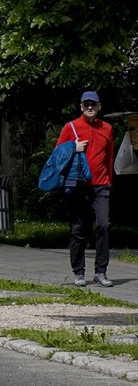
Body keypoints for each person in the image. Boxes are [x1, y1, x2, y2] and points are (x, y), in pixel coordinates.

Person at [56, 91, 115, 287]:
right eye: (86, 104)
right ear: (81, 107)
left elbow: (109, 157)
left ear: (99, 107)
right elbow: (57, 155)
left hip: (101, 185)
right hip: (79, 186)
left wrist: (109, 182)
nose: (90, 107)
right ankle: (79, 272)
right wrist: (74, 148)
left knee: (104, 225)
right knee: (79, 229)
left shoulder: (107, 128)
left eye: (93, 104)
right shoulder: (71, 127)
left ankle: (101, 271)